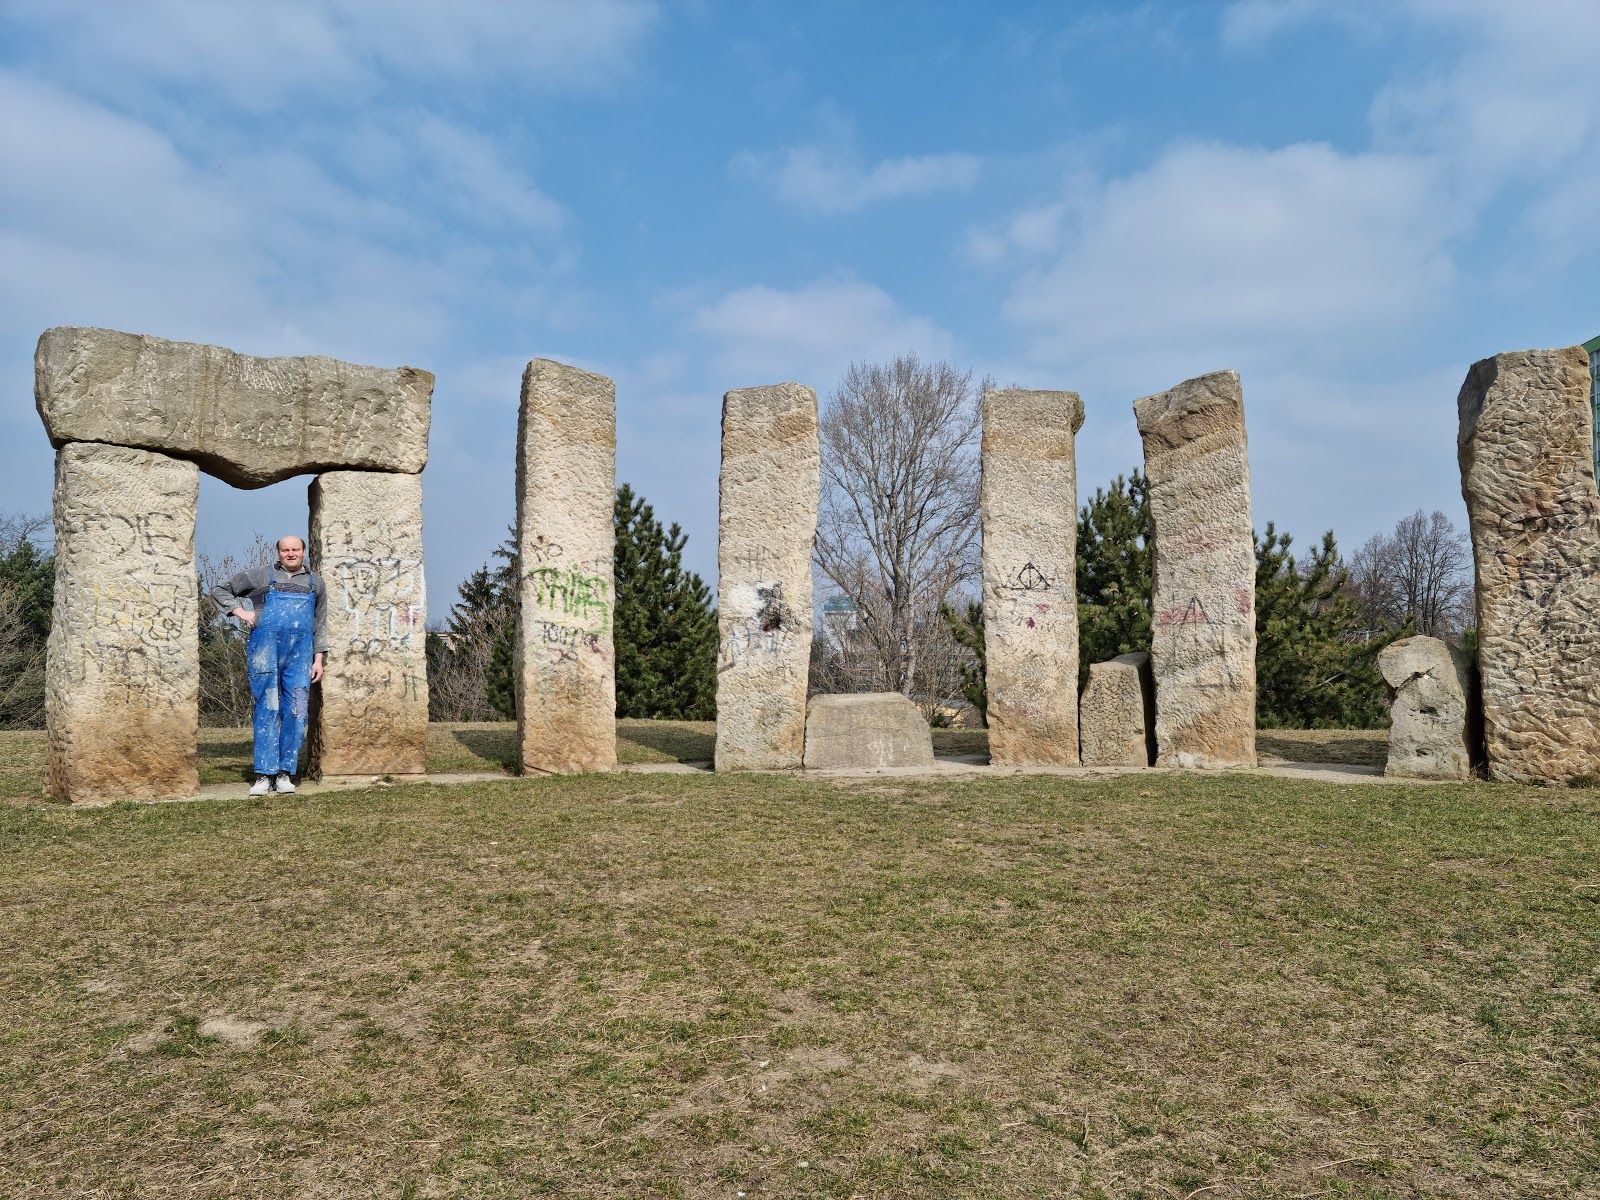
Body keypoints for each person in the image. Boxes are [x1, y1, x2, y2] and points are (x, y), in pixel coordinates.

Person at [210, 535, 328, 795]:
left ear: (303, 551)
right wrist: (241, 612)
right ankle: (264, 774)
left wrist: (319, 658)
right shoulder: (260, 576)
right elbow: (220, 590)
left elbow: (320, 623)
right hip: (264, 651)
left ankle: (286, 773)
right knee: (267, 708)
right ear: (278, 552)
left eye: (295, 549)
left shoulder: (315, 583)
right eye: (285, 550)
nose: (290, 554)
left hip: (300, 656)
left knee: (296, 710)